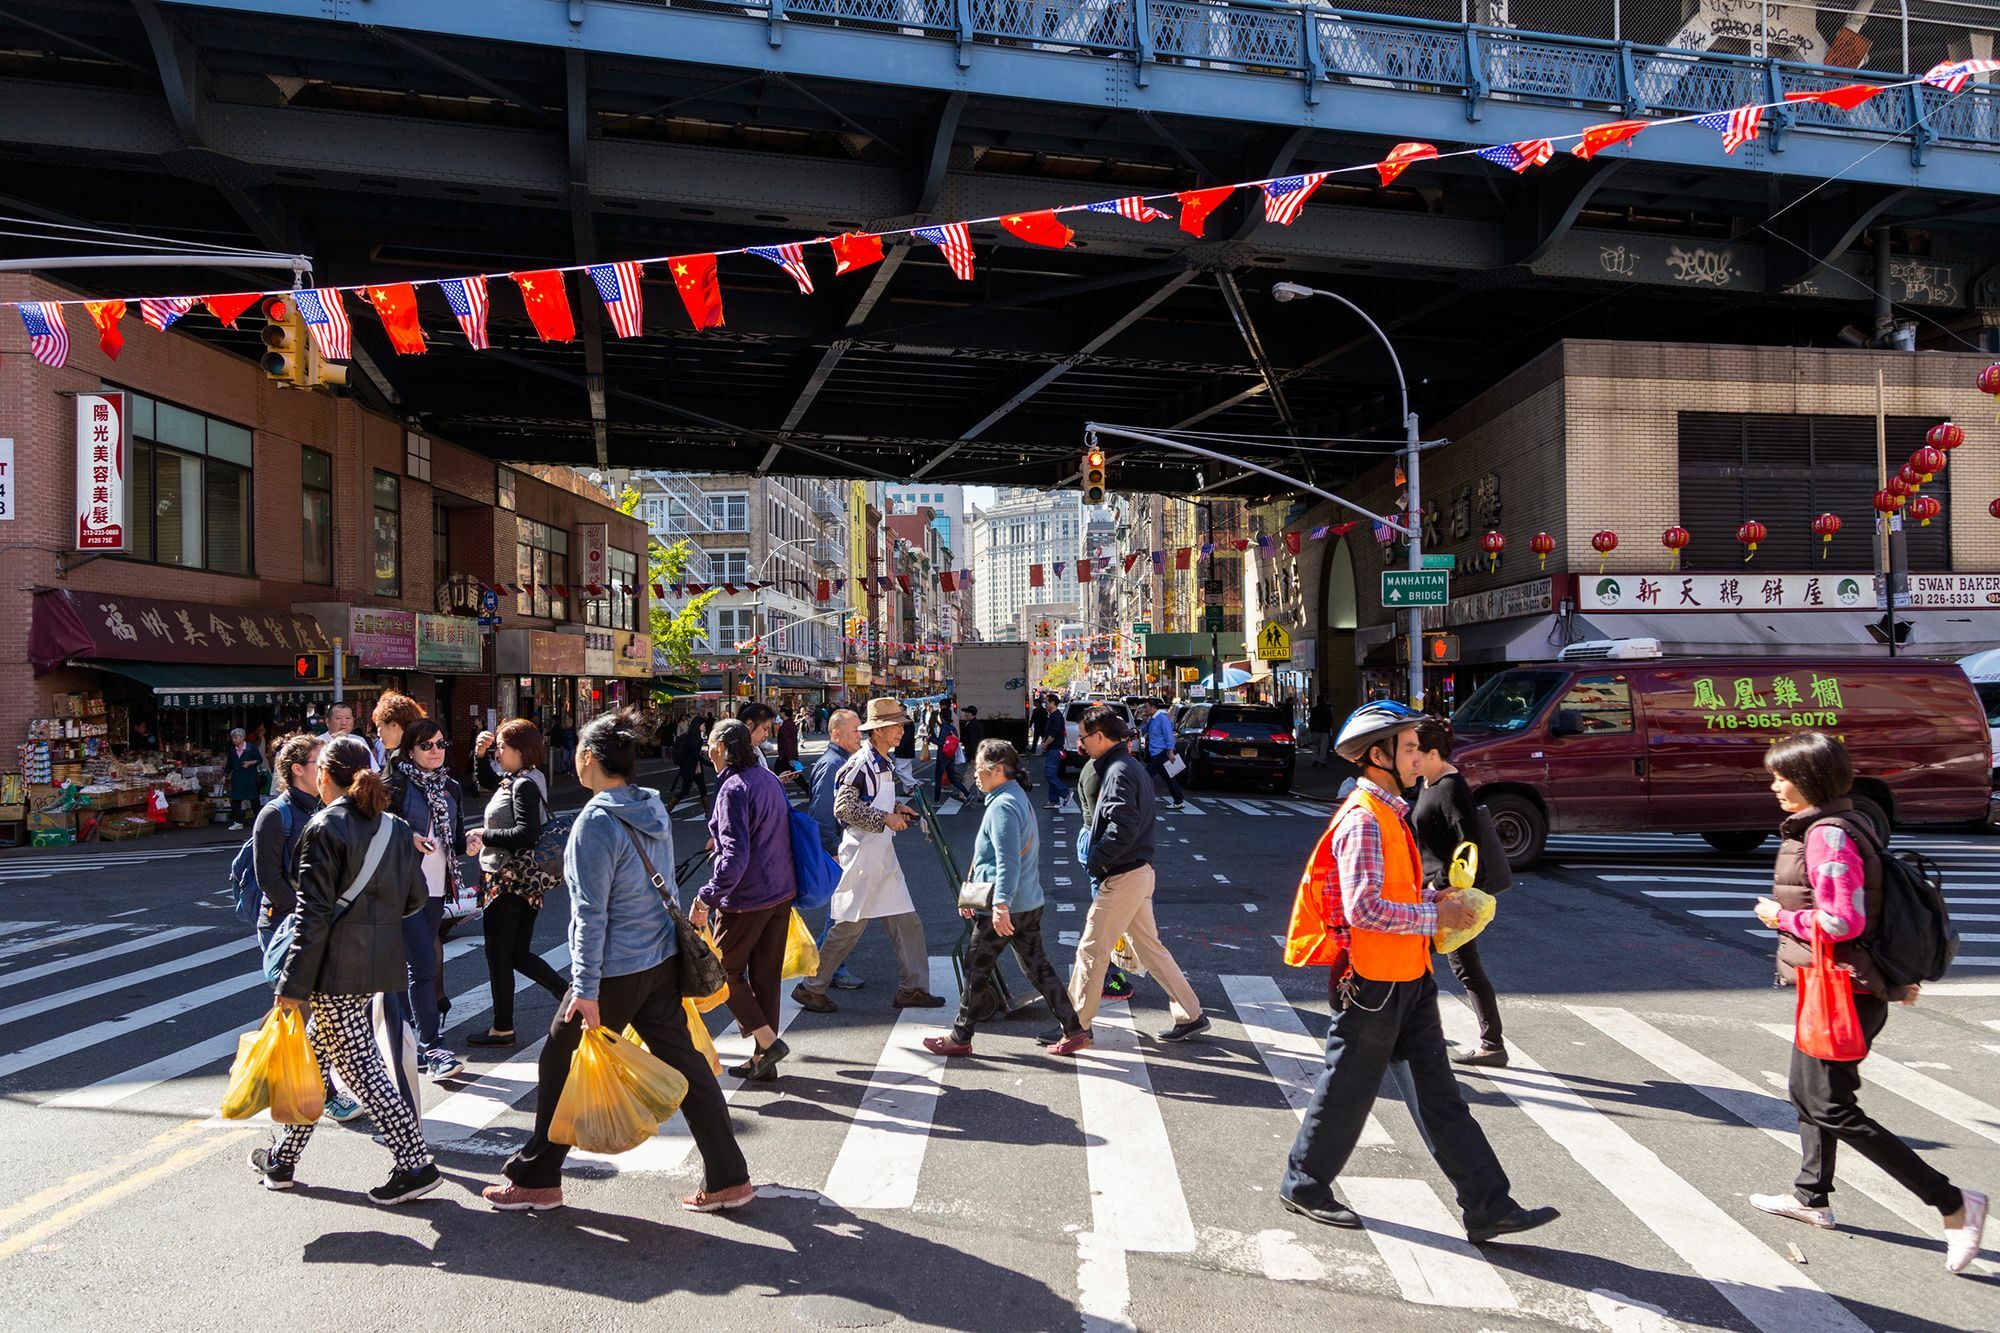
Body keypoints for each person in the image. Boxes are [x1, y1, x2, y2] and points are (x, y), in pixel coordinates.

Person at [1280, 701, 1557, 1242]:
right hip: (1376, 982)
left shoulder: (1391, 813)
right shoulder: (1364, 818)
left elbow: (1390, 896)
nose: (1416, 757)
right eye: (1407, 748)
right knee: (1349, 1088)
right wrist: (1436, 913)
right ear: (1377, 755)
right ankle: (1304, 1184)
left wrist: (1432, 896)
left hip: (1408, 974)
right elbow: (1364, 909)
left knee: (1438, 1092)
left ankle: (1487, 1204)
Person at [483, 710, 752, 1214]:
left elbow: (590, 912)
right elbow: (661, 885)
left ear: (589, 759)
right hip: (659, 959)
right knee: (687, 1066)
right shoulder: (650, 804)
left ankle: (538, 1178)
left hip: (614, 969)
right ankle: (729, 1176)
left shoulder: (596, 822)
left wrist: (584, 989)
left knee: (558, 1062)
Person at [1748, 732, 1987, 1272]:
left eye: (1782, 776)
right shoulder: (1842, 821)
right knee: (1808, 1094)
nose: (1775, 785)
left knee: (1829, 1105)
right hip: (1837, 984)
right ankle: (1812, 1198)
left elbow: (1842, 920)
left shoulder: (1828, 835)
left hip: (1844, 989)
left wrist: (1778, 918)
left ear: (1809, 780)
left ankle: (1953, 1202)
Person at [251, 735, 440, 1204]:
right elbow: (414, 899)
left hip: (335, 969)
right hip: (377, 961)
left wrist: (290, 986)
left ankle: (415, 1163)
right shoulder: (394, 828)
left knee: (361, 1071)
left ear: (325, 778)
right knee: (315, 1061)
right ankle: (282, 1159)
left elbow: (310, 915)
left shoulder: (323, 827)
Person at [1053, 706, 1205, 1049]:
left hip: (1122, 875)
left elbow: (1121, 827)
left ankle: (1076, 1025)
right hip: (1136, 872)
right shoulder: (1124, 766)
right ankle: (1191, 1013)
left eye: (1085, 736)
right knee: (1149, 949)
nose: (1082, 743)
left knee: (1092, 948)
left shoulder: (1119, 771)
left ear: (1101, 737)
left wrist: (1096, 861)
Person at [925, 741, 1087, 1058]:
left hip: (1008, 906)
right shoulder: (1015, 797)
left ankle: (960, 1037)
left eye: (979, 768)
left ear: (998, 770)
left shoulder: (1003, 806)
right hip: (1027, 902)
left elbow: (1007, 860)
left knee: (975, 968)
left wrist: (999, 906)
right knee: (1037, 968)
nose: (975, 775)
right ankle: (1075, 1029)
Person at [793, 698, 945, 1014]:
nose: (903, 730)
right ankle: (812, 987)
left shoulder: (881, 761)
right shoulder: (862, 763)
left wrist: (894, 809)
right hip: (862, 856)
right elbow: (843, 808)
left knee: (907, 921)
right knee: (848, 927)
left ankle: (913, 988)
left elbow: (868, 803)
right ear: (878, 730)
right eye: (897, 725)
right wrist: (885, 818)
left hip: (880, 855)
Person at [693, 720, 799, 1081]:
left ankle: (767, 1043)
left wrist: (707, 897)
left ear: (721, 747)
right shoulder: (766, 779)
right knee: (765, 975)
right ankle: (762, 1059)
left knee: (721, 971)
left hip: (747, 897)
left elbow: (735, 855)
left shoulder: (732, 789)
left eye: (709, 743)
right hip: (780, 891)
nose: (707, 749)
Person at [1410, 719, 1510, 1068]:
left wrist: (1443, 885)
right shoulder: (1428, 782)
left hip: (1449, 895)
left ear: (1434, 753)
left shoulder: (1450, 786)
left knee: (1459, 967)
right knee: (1442, 966)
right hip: (1431, 893)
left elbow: (1469, 843)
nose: (1410, 758)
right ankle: (1490, 1042)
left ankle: (1491, 1043)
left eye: (1414, 751)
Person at [465, 719, 570, 1048]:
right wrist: (480, 755)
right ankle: (567, 996)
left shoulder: (523, 784)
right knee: (517, 954)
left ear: (520, 751)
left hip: (510, 882)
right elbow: (489, 781)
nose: (498, 751)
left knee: (500, 957)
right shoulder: (520, 779)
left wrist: (485, 836)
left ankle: (502, 1028)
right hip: (523, 883)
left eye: (502, 747)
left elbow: (527, 833)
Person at [386, 718, 476, 1079]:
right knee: (422, 966)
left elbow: (452, 839)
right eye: (427, 746)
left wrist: (467, 843)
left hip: (436, 888)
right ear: (410, 750)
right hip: (400, 889)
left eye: (441, 743)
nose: (436, 751)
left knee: (418, 968)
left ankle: (413, 1042)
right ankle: (431, 1045)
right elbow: (374, 830)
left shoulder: (450, 788)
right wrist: (407, 838)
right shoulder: (393, 784)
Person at [808, 709, 865, 991]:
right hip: (836, 849)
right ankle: (830, 968)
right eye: (854, 730)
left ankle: (822, 964)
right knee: (841, 913)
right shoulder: (832, 765)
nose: (860, 735)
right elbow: (821, 813)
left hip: (842, 847)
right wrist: (832, 849)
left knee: (843, 912)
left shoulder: (844, 761)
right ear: (836, 734)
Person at [1137, 699, 1185, 809]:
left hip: (1160, 752)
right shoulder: (1151, 719)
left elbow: (1169, 735)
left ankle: (1137, 799)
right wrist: (1144, 722)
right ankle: (1178, 800)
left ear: (1153, 707)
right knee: (1169, 777)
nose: (1146, 709)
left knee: (1146, 776)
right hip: (1155, 752)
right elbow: (1144, 732)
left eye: (1147, 707)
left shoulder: (1162, 718)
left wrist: (1170, 751)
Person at [931, 702, 977, 806]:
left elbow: (941, 742)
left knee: (938, 779)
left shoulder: (944, 728)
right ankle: (968, 795)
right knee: (952, 778)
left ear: (941, 717)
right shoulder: (952, 728)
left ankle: (937, 801)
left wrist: (931, 738)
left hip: (942, 756)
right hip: (951, 756)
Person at [224, 727, 266, 831]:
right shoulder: (232, 750)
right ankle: (237, 822)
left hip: (249, 777)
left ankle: (260, 820)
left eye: (236, 737)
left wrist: (249, 763)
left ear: (242, 738)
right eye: (233, 738)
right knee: (235, 800)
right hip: (237, 778)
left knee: (254, 800)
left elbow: (259, 759)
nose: (234, 740)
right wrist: (225, 775)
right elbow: (229, 764)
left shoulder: (251, 748)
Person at [669, 714, 711, 813]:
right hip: (690, 767)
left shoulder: (694, 736)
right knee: (685, 790)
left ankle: (707, 810)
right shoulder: (693, 737)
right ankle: (669, 807)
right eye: (703, 725)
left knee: (702, 788)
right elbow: (695, 754)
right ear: (698, 725)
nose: (704, 727)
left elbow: (695, 754)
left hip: (695, 767)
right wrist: (709, 764)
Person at [372, 692, 423, 772]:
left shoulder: (398, 759)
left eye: (379, 726)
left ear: (394, 725)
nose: (378, 734)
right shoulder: (423, 751)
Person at [1035, 697, 1069, 812]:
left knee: (1050, 774)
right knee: (1051, 775)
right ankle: (1053, 801)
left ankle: (1066, 793)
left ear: (1053, 703)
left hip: (1055, 749)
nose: (1045, 704)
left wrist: (1045, 743)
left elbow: (1054, 733)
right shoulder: (1053, 715)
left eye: (1047, 702)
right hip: (1052, 749)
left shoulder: (1057, 716)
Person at [1307, 696, 1334, 769]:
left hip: (1315, 730)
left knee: (1315, 746)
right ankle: (1323, 762)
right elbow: (1330, 719)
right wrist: (1329, 727)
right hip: (1325, 730)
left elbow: (1311, 720)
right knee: (1324, 746)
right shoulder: (1327, 710)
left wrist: (1311, 729)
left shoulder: (1314, 710)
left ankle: (1315, 760)